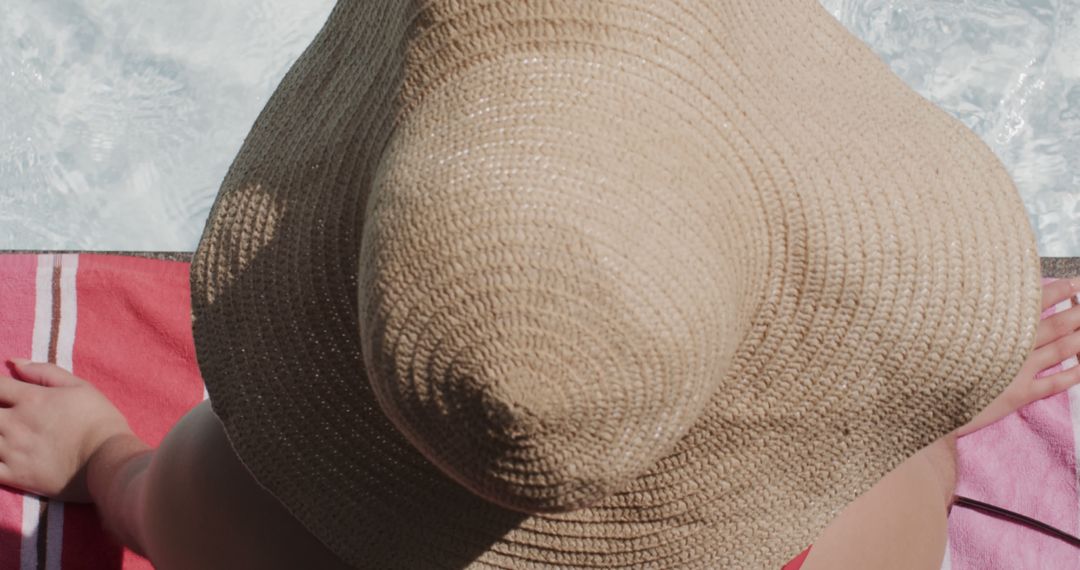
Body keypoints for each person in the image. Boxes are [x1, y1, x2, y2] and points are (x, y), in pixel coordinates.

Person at [0, 278, 1075, 569]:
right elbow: (913, 462)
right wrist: (924, 418)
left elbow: (148, 508)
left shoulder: (250, 497)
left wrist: (101, 456)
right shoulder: (867, 512)